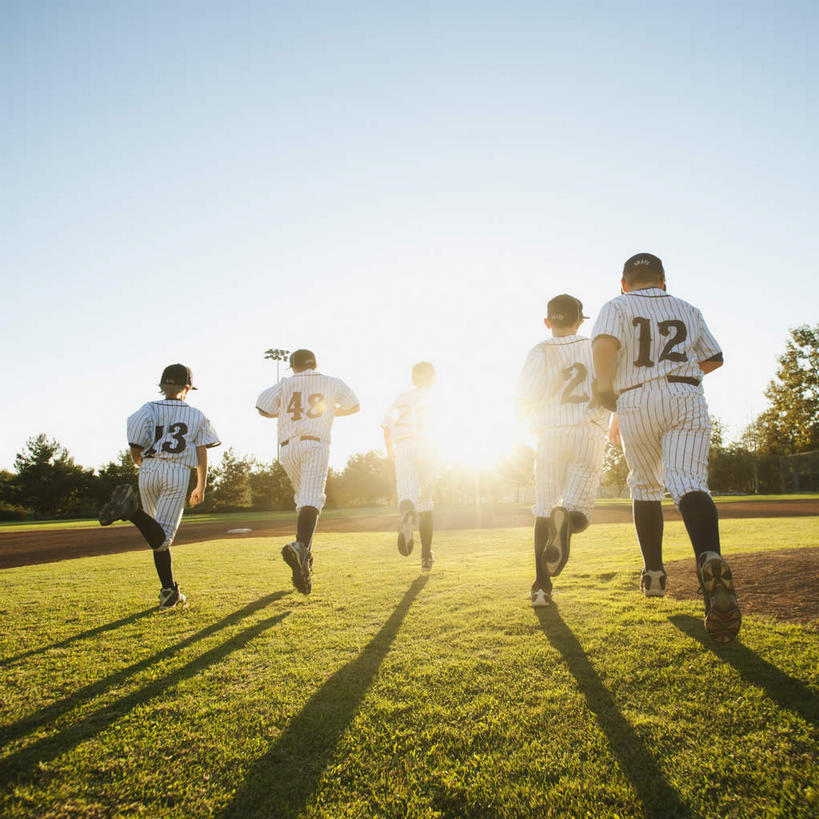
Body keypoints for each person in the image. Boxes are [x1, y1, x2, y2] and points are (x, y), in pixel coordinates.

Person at [591, 252, 741, 643]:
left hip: (635, 398)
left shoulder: (616, 304)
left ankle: (654, 574)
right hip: (686, 394)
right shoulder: (686, 307)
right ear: (663, 281)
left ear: (624, 282)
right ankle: (708, 557)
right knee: (689, 481)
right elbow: (713, 358)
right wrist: (677, 375)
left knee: (644, 484)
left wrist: (605, 388)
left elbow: (605, 344)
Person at [99, 363, 220, 608]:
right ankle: (131, 511)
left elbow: (135, 445)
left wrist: (142, 465)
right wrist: (201, 485)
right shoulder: (196, 414)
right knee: (162, 538)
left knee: (155, 534)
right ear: (187, 388)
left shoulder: (147, 409)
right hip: (176, 472)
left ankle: (169, 592)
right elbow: (201, 451)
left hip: (148, 469)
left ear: (162, 385)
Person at [517, 295, 610, 607]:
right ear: (580, 320)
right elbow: (610, 389)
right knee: (579, 513)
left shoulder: (539, 351)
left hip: (550, 434)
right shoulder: (594, 346)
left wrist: (516, 433)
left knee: (544, 508)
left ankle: (541, 588)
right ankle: (566, 524)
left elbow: (524, 398)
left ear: (547, 322)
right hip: (587, 430)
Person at [256, 349, 359, 595]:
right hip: (315, 443)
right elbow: (354, 405)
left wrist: (282, 413)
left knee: (304, 501)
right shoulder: (330, 381)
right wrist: (332, 411)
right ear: (315, 363)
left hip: (287, 448)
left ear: (293, 366)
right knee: (313, 499)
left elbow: (261, 407)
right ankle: (302, 548)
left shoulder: (285, 382)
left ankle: (305, 564)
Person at [382, 361, 440, 571]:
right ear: (432, 378)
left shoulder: (402, 398)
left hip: (404, 445)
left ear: (413, 378)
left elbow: (387, 427)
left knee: (407, 496)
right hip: (429, 446)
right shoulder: (436, 397)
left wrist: (390, 454)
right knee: (426, 503)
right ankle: (426, 556)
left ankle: (407, 514)